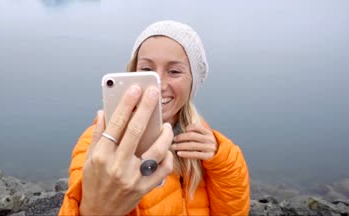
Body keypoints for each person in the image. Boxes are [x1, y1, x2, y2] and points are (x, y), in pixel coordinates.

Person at [58, 20, 250, 216]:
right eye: (147, 71)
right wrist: (95, 210)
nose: (158, 84)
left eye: (174, 71)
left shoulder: (201, 138)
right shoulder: (99, 144)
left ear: (193, 82)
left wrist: (221, 158)